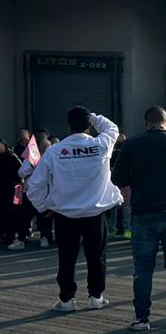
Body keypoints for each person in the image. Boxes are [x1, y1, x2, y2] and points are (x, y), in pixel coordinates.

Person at [110, 106, 166, 331]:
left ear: (146, 122)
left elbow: (117, 178)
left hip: (144, 212)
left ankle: (142, 318)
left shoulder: (132, 144)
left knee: (143, 268)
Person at [25, 108, 121, 312]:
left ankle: (67, 300)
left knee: (66, 258)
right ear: (89, 126)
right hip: (95, 213)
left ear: (68, 126)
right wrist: (93, 117)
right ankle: (96, 296)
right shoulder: (101, 145)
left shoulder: (54, 151)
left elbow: (33, 186)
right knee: (96, 257)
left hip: (64, 214)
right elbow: (112, 128)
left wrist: (43, 207)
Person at [0, 140, 22, 249]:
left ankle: (12, 236)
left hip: (14, 190)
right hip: (2, 191)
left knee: (13, 214)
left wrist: (19, 196)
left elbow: (21, 174)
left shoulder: (12, 157)